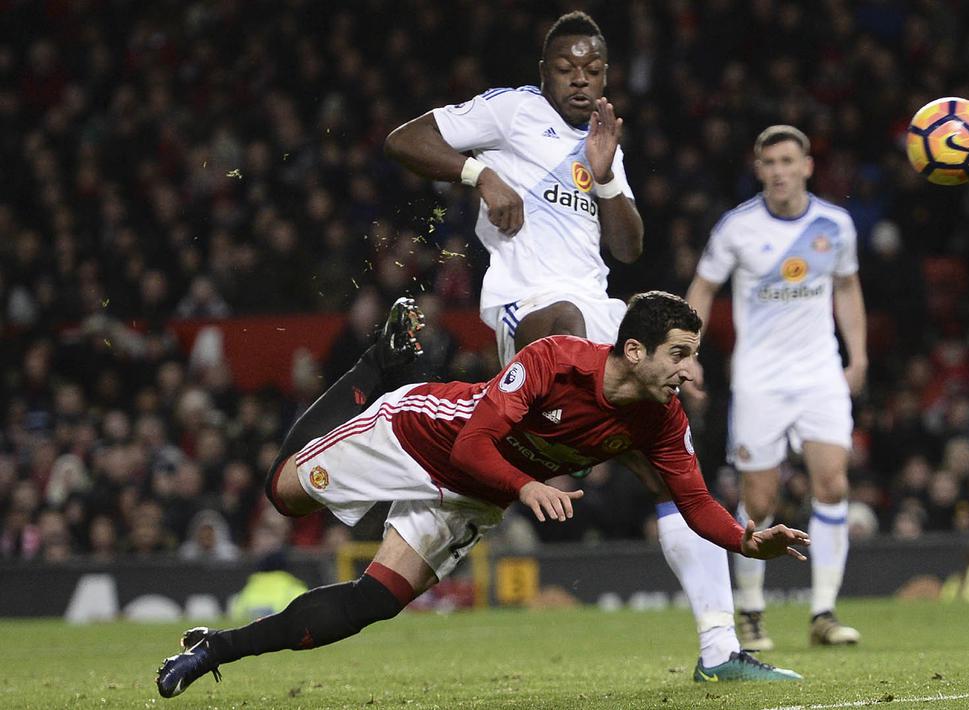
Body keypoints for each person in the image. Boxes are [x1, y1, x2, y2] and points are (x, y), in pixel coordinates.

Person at [155, 292, 807, 698]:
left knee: (375, 602)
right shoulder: (557, 360)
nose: (688, 370)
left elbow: (693, 502)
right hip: (421, 435)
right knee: (282, 495)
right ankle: (372, 369)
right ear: (634, 350)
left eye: (692, 355)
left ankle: (217, 648)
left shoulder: (663, 418)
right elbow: (472, 446)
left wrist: (747, 541)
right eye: (678, 354)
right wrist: (525, 485)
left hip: (472, 496)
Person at [384, 11, 753, 679]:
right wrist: (478, 178)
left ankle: (720, 647)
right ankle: (553, 444)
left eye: (591, 71)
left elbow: (629, 246)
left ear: (606, 76)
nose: (579, 81)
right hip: (523, 301)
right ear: (543, 73)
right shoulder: (509, 111)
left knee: (674, 459)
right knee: (564, 329)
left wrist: (606, 174)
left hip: (600, 301)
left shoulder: (601, 139)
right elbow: (403, 140)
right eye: (565, 69)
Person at [686, 125, 867, 650]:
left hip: (819, 373)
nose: (780, 171)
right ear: (759, 169)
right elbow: (703, 286)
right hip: (760, 379)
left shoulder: (835, 225)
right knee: (760, 500)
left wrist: (858, 356)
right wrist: (687, 351)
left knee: (832, 483)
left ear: (807, 166)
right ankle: (751, 610)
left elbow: (848, 287)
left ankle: (824, 613)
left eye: (789, 161)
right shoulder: (737, 228)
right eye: (770, 163)